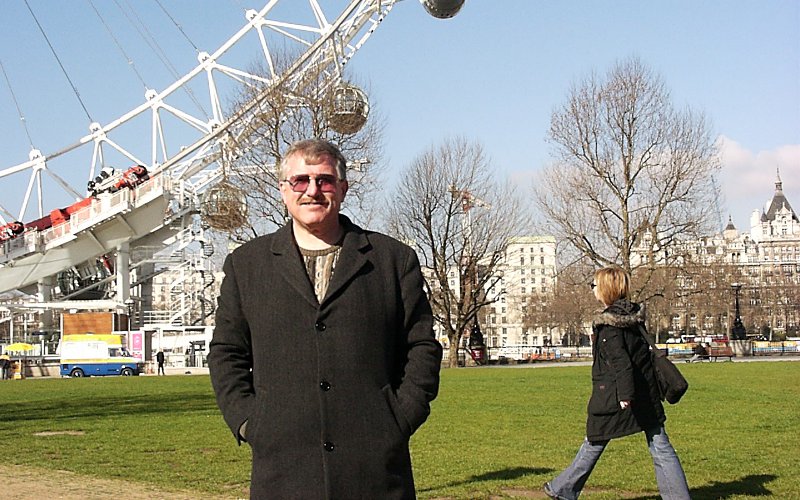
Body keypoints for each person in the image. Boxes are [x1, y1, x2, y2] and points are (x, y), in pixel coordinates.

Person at [208, 138, 442, 499]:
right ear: (283, 191)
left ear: (343, 189)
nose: (312, 191)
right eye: (300, 181)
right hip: (282, 468)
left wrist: (400, 417)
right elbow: (226, 352)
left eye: (325, 181)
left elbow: (422, 346)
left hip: (375, 468)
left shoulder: (393, 260)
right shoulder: (247, 265)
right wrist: (248, 421)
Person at [544, 266, 690, 500]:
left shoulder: (609, 326)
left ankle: (563, 489)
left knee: (594, 439)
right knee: (660, 445)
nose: (592, 290)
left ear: (605, 289)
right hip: (645, 391)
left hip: (618, 394)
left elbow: (621, 363)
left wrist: (625, 396)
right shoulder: (634, 317)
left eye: (594, 285)